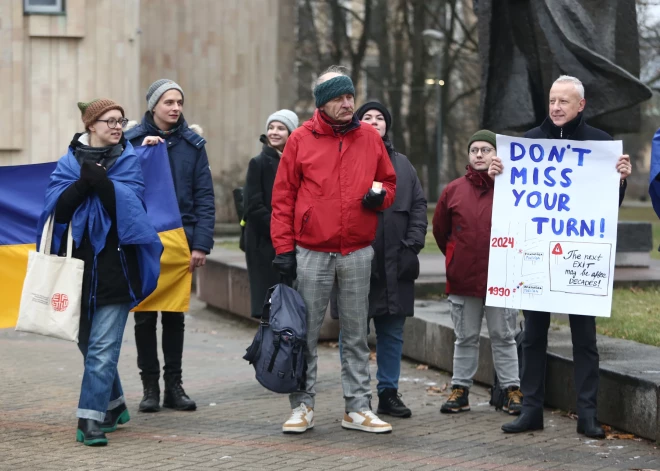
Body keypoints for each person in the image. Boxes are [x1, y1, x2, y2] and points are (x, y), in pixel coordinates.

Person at [494, 75, 632, 438]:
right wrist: (498, 175)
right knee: (532, 336)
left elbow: (607, 210)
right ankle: (531, 410)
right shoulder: (528, 143)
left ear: (581, 105)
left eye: (564, 102)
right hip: (537, 257)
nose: (556, 107)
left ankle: (587, 415)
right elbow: (513, 202)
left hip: (580, 260)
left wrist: (619, 181)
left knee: (584, 339)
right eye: (553, 100)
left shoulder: (601, 145)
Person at [270, 65, 397, 434]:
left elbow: (388, 182)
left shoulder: (369, 139)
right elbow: (283, 198)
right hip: (311, 250)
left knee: (357, 334)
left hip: (357, 249)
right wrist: (283, 249)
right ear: (323, 104)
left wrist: (380, 197)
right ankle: (302, 405)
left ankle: (357, 408)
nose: (348, 104)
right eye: (340, 98)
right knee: (304, 332)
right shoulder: (300, 140)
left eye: (350, 97)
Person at [42, 99, 162, 446]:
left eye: (121, 121)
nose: (117, 126)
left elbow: (133, 211)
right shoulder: (68, 163)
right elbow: (57, 212)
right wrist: (82, 184)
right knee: (88, 345)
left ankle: (89, 421)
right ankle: (113, 403)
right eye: (109, 121)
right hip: (76, 271)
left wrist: (105, 184)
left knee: (102, 349)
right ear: (90, 125)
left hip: (117, 269)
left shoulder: (129, 161)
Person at [125, 79, 216, 413]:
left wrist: (201, 244)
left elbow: (205, 196)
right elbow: (121, 186)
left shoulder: (193, 145)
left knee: (175, 316)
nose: (176, 108)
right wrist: (141, 154)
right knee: (145, 317)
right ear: (153, 106)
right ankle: (150, 387)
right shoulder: (132, 142)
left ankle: (174, 386)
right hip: (143, 242)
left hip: (181, 241)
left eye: (179, 102)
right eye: (168, 102)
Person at [432, 130, 523, 416]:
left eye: (486, 149)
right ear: (469, 156)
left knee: (503, 335)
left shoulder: (512, 187)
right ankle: (460, 389)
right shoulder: (454, 190)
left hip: (502, 278)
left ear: (497, 154)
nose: (480, 155)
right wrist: (455, 257)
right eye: (475, 150)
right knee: (465, 336)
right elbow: (440, 230)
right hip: (464, 277)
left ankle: (511, 389)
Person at [353, 102, 427, 418]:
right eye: (366, 117)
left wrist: (411, 246)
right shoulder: (348, 161)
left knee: (392, 333)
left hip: (397, 263)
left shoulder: (404, 165)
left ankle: (388, 393)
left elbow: (419, 208)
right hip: (356, 262)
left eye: (379, 117)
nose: (373, 122)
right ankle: (355, 396)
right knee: (353, 334)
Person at [244, 110, 299, 318]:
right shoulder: (258, 163)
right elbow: (254, 206)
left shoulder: (296, 162)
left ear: (291, 133)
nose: (274, 132)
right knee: (270, 307)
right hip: (264, 244)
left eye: (280, 128)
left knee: (288, 309)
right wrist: (280, 230)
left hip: (290, 243)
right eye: (271, 127)